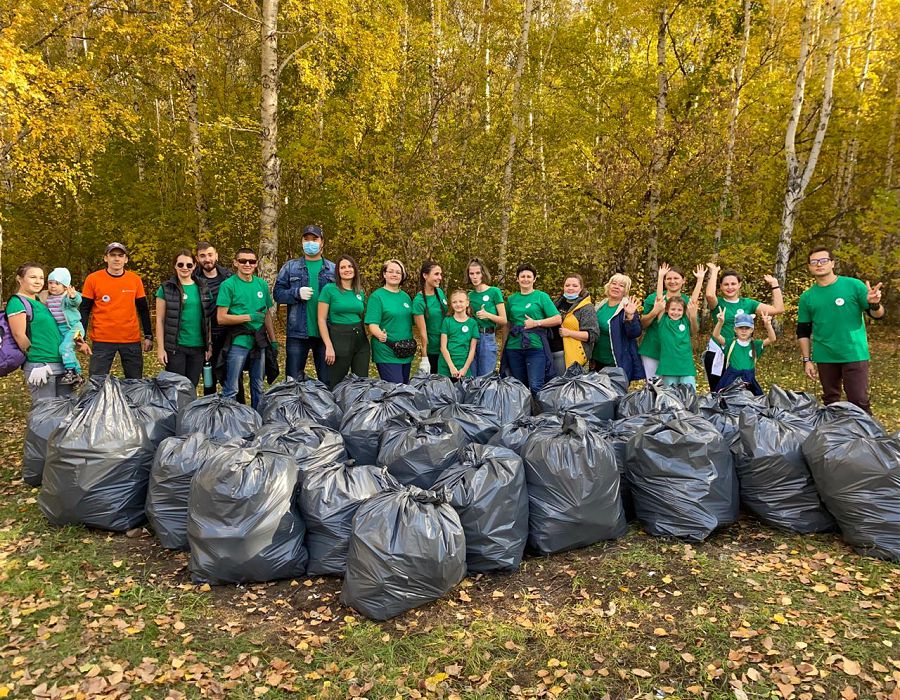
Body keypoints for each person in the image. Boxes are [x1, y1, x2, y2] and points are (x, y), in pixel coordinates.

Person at [797, 246, 885, 413]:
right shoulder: (807, 297)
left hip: (854, 353)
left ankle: (865, 430)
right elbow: (803, 331)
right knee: (831, 402)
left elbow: (878, 315)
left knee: (858, 401)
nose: (819, 264)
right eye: (814, 262)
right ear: (809, 267)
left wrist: (874, 304)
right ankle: (834, 430)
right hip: (825, 355)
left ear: (832, 263)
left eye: (823, 260)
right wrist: (807, 360)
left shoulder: (853, 285)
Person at [8, 263, 90, 400]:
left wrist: (79, 342)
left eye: (41, 278)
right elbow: (18, 334)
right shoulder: (18, 302)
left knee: (67, 408)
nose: (38, 281)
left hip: (61, 363)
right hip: (41, 364)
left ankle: (75, 373)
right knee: (46, 409)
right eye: (33, 277)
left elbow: (61, 327)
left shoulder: (42, 300)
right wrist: (34, 358)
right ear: (19, 279)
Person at [703, 262, 784, 391]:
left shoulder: (748, 303)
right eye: (726, 284)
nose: (730, 287)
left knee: (743, 391)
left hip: (741, 353)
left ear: (739, 285)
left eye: (733, 283)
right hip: (718, 351)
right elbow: (709, 295)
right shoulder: (718, 303)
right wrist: (714, 272)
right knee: (718, 391)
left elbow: (778, 309)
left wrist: (775, 284)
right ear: (721, 286)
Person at [80, 242, 153, 378]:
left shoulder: (135, 280)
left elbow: (143, 309)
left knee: (135, 382)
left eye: (120, 255)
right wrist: (81, 337)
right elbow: (84, 310)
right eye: (112, 255)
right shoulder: (93, 279)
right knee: (97, 382)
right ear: (106, 258)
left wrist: (149, 335)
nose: (117, 259)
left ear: (126, 259)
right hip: (102, 339)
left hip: (130, 339)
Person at [216, 248, 276, 410]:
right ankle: (229, 420)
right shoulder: (228, 285)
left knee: (258, 386)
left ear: (256, 264)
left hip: (259, 341)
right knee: (231, 387)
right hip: (238, 340)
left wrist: (273, 340)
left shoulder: (261, 284)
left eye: (252, 261)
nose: (247, 264)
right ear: (236, 263)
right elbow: (221, 318)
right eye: (243, 261)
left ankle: (257, 418)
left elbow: (266, 314)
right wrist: (249, 317)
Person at [273, 225, 335, 383]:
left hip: (325, 334)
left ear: (322, 242)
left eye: (314, 239)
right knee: (293, 382)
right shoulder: (290, 267)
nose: (310, 243)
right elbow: (277, 294)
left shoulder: (333, 269)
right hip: (297, 333)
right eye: (306, 239)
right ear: (301, 242)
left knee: (327, 382)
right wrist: (296, 293)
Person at [155, 250, 214, 386]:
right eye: (180, 264)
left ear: (194, 266)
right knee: (175, 388)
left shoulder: (203, 287)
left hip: (198, 347)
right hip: (176, 347)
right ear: (175, 266)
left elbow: (208, 319)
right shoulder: (166, 288)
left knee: (191, 386)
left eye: (189, 265)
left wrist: (209, 345)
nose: (185, 268)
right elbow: (159, 320)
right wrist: (160, 348)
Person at [638, 263, 704, 380]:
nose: (672, 281)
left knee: (675, 387)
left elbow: (693, 331)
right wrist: (655, 311)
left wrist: (700, 280)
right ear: (664, 281)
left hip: (675, 355)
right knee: (655, 387)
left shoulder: (686, 302)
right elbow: (642, 324)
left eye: (676, 278)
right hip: (652, 350)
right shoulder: (653, 299)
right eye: (668, 278)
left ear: (683, 280)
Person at [502, 264, 561, 393]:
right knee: (519, 387)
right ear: (517, 279)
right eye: (522, 276)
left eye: (529, 276)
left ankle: (539, 406)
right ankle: (523, 407)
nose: (525, 279)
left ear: (534, 279)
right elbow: (507, 323)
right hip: (514, 347)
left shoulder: (541, 296)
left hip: (535, 346)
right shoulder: (511, 299)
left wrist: (536, 323)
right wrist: (504, 344)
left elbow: (557, 319)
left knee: (535, 385)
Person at [194, 241, 242, 400]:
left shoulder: (229, 277)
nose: (207, 259)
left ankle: (238, 410)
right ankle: (211, 411)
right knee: (209, 380)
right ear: (197, 259)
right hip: (206, 336)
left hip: (229, 335)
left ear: (216, 256)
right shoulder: (193, 280)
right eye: (202, 256)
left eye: (210, 254)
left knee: (234, 378)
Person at [317, 254, 370, 389]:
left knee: (361, 383)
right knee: (336, 383)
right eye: (343, 267)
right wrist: (328, 345)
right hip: (339, 338)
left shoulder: (359, 291)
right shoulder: (329, 289)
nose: (347, 269)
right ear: (338, 271)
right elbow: (321, 319)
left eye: (350, 266)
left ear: (355, 269)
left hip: (360, 339)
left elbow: (362, 316)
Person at [365, 259, 415, 384]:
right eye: (391, 271)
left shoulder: (406, 297)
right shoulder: (377, 297)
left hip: (405, 350)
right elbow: (372, 324)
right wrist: (379, 334)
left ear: (402, 276)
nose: (394, 275)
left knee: (405, 387)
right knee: (396, 389)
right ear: (384, 274)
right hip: (387, 351)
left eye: (398, 272)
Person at [590, 273, 645, 383]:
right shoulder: (600, 305)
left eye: (621, 285)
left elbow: (635, 333)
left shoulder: (627, 308)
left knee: (615, 392)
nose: (616, 287)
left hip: (616, 362)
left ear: (625, 291)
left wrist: (630, 317)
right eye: (614, 283)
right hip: (597, 361)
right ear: (608, 286)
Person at [712, 310, 776, 395]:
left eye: (747, 328)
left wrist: (768, 325)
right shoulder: (730, 343)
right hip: (730, 381)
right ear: (735, 329)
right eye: (741, 328)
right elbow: (716, 335)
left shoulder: (755, 344)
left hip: (749, 381)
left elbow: (772, 339)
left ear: (752, 330)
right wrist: (720, 322)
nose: (744, 331)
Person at [549, 274, 599, 375]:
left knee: (566, 383)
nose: (570, 288)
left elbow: (593, 335)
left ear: (581, 288)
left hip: (572, 355)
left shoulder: (586, 308)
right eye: (567, 285)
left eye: (575, 286)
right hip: (552, 351)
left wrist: (569, 333)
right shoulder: (557, 303)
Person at [45, 267, 86, 386]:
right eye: (50, 283)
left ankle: (70, 372)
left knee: (65, 348)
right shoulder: (48, 298)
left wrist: (73, 296)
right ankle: (78, 374)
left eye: (57, 283)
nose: (53, 286)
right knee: (69, 350)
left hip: (75, 328)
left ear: (65, 286)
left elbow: (76, 301)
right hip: (61, 329)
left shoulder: (66, 297)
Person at [466, 258, 506, 376]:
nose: (475, 277)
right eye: (471, 273)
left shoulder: (494, 291)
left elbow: (504, 320)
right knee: (471, 376)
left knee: (486, 376)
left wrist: (487, 315)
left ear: (483, 274)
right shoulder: (469, 295)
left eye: (477, 273)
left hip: (487, 337)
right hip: (472, 338)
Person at [412, 261, 448, 373]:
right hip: (433, 350)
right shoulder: (419, 301)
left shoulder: (440, 292)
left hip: (447, 347)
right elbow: (422, 333)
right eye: (436, 274)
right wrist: (424, 357)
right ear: (425, 275)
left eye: (440, 274)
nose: (440, 277)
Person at [438, 290, 479, 379]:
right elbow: (443, 347)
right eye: (454, 302)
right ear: (451, 304)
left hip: (463, 366)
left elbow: (472, 349)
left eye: (461, 301)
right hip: (446, 366)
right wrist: (451, 367)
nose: (458, 304)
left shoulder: (472, 323)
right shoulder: (447, 321)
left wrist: (465, 368)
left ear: (467, 303)